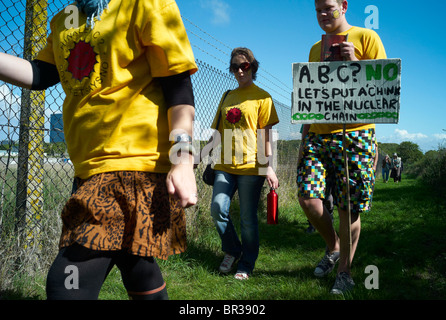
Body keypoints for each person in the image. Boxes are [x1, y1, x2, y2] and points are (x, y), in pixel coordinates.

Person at [0, 0, 198, 300]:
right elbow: (41, 74)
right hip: (88, 165)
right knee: (135, 261)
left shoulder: (145, 4)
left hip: (134, 164)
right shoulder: (66, 17)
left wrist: (182, 160)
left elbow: (178, 86)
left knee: (66, 281)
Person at [297, 0, 386, 294]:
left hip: (355, 134)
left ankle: (345, 272)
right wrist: (303, 137)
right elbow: (310, 96)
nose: (323, 14)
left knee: (350, 207)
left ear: (344, 6)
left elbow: (383, 90)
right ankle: (333, 246)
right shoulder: (315, 49)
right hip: (318, 135)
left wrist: (357, 65)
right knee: (308, 198)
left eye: (328, 7)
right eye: (318, 10)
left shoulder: (367, 38)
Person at [208, 47, 279, 280]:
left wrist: (267, 165)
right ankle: (232, 249)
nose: (239, 70)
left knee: (248, 219)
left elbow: (265, 135)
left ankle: (246, 263)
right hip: (225, 164)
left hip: (251, 165)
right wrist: (201, 155)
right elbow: (217, 132)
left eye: (244, 65)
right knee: (218, 208)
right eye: (235, 67)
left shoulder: (263, 96)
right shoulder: (227, 96)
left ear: (252, 67)